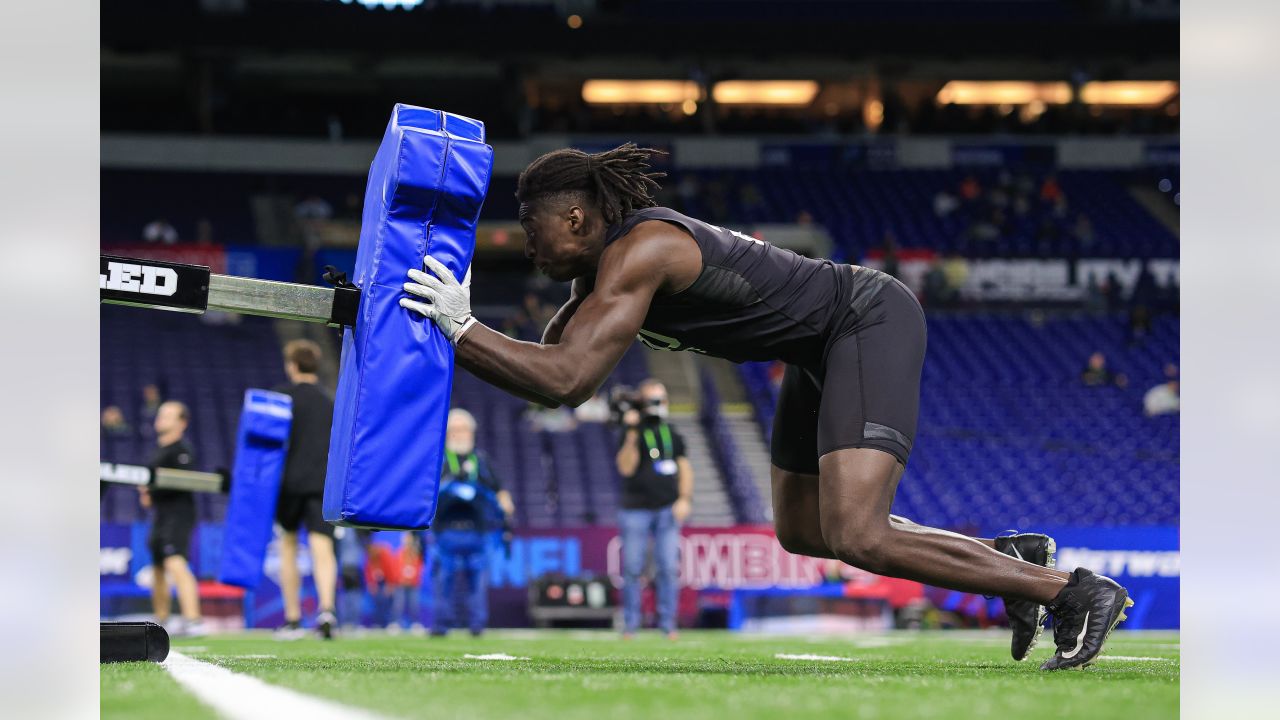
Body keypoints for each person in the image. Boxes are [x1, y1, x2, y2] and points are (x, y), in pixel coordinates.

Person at [399, 144, 1132, 671]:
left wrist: (458, 326)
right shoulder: (591, 288)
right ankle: (1009, 561)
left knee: (858, 533)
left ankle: (1071, 591)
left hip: (863, 319)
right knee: (805, 529)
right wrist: (455, 333)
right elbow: (554, 377)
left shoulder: (642, 250)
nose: (527, 248)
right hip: (819, 350)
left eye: (534, 230)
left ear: (579, 220)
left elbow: (563, 378)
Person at [614, 380, 693, 639]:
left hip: (666, 508)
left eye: (661, 401)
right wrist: (633, 431)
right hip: (635, 509)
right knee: (633, 568)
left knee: (668, 568)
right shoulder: (629, 431)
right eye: (653, 401)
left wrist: (684, 499)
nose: (658, 407)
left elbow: (684, 468)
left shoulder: (673, 432)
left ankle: (668, 624)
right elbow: (626, 467)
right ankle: (631, 625)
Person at [272, 339, 338, 640]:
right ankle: (326, 610)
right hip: (321, 483)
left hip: (288, 483)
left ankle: (293, 618)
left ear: (292, 365)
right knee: (321, 547)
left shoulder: (280, 398)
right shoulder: (330, 401)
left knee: (288, 547)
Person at [429, 408, 512, 637]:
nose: (459, 434)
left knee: (477, 583)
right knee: (443, 581)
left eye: (464, 429)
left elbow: (501, 491)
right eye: (454, 430)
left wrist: (505, 507)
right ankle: (441, 626)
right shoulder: (439, 460)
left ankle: (477, 626)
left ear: (472, 432)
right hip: (445, 532)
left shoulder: (482, 460)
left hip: (477, 531)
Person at [138, 400, 206, 636]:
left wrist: (152, 489)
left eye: (168, 415)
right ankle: (161, 621)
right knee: (157, 567)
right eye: (161, 414)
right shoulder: (158, 450)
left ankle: (194, 620)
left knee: (174, 561)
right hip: (160, 515)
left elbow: (181, 481)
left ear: (182, 423)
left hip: (179, 514)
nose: (161, 418)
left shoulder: (182, 450)